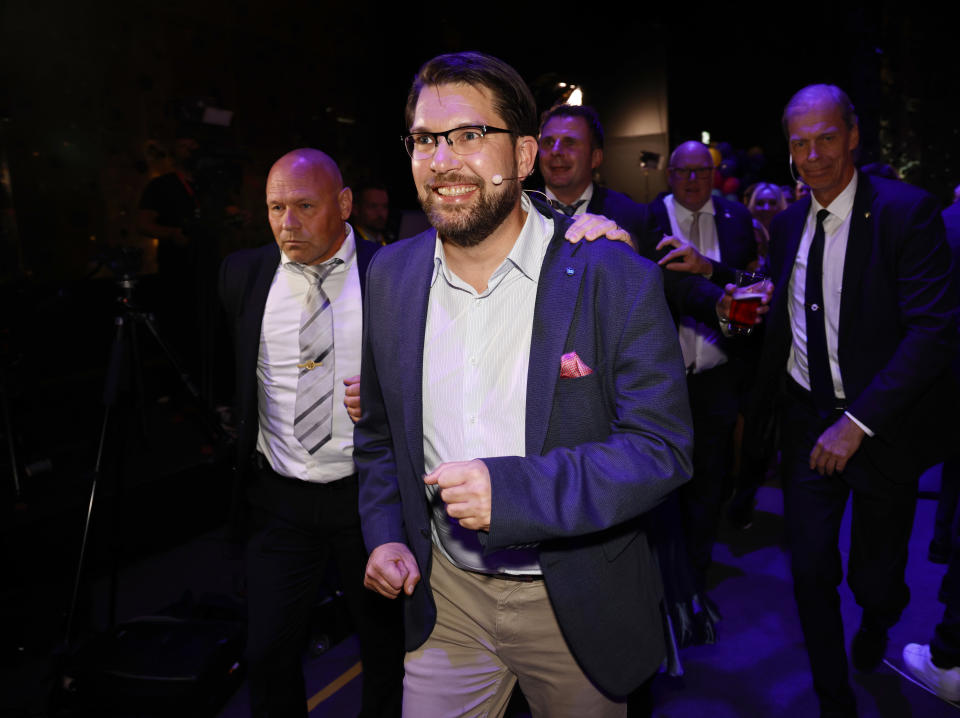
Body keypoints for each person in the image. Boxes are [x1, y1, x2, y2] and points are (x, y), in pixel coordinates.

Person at [356, 51, 694, 717]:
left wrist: (513, 493)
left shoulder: (610, 276)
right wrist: (386, 532)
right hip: (446, 597)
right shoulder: (390, 277)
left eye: (471, 135)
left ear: (526, 154)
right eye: (426, 138)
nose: (443, 159)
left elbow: (662, 449)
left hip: (574, 601)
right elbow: (377, 435)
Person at [750, 84, 957, 718]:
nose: (813, 156)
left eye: (826, 138)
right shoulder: (786, 223)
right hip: (806, 421)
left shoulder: (905, 211)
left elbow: (934, 329)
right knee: (810, 571)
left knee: (877, 579)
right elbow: (788, 309)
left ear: (853, 135)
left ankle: (879, 621)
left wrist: (858, 422)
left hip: (880, 428)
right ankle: (833, 698)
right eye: (799, 142)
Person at [218, 149, 403, 718]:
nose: (287, 224)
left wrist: (384, 401)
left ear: (344, 205)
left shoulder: (393, 272)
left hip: (367, 500)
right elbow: (231, 380)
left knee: (387, 653)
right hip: (280, 501)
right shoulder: (243, 275)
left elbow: (432, 377)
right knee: (268, 655)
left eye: (303, 205)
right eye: (276, 207)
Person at [647, 141, 757, 636]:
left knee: (709, 484)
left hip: (716, 378)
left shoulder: (735, 220)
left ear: (715, 175)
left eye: (702, 171)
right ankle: (663, 587)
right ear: (669, 175)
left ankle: (694, 579)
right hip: (660, 386)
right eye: (683, 171)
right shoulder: (646, 219)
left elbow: (753, 285)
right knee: (663, 487)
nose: (693, 179)